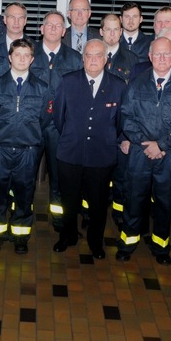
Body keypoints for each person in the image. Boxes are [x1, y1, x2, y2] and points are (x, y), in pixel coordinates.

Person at [116, 37, 171, 263]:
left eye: (166, 54)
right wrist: (144, 143)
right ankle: (127, 243)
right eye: (157, 54)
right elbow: (126, 117)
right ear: (150, 56)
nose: (162, 58)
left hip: (168, 154)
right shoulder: (136, 83)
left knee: (164, 202)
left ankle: (161, 247)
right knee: (134, 198)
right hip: (140, 153)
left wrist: (162, 144)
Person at [52, 39, 125, 259]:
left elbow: (121, 122)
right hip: (70, 152)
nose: (93, 60)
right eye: (89, 56)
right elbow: (58, 117)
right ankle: (68, 236)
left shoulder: (118, 85)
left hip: (101, 156)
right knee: (69, 201)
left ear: (106, 59)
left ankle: (95, 242)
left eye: (98, 56)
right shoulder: (68, 81)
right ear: (83, 58)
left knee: (98, 204)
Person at [0, 38, 53, 254]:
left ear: (32, 59)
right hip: (0, 149)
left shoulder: (42, 88)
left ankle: (20, 236)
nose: (21, 59)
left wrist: (29, 136)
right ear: (10, 58)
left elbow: (45, 119)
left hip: (27, 151)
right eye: (17, 55)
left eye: (26, 55)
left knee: (24, 194)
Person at [37, 11, 84, 234]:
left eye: (58, 25)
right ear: (41, 28)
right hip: (32, 124)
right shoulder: (28, 52)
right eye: (49, 24)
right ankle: (19, 212)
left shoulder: (75, 58)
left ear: (64, 32)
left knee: (58, 177)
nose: (54, 28)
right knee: (24, 174)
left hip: (60, 126)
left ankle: (58, 218)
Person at [0, 3, 29, 82]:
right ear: (4, 19)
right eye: (12, 17)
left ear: (25, 21)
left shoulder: (35, 48)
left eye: (20, 18)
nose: (16, 22)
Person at [99, 14, 141, 83]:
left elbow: (135, 87)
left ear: (121, 31)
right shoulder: (91, 56)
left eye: (116, 29)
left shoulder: (132, 59)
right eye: (108, 29)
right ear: (101, 32)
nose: (112, 33)